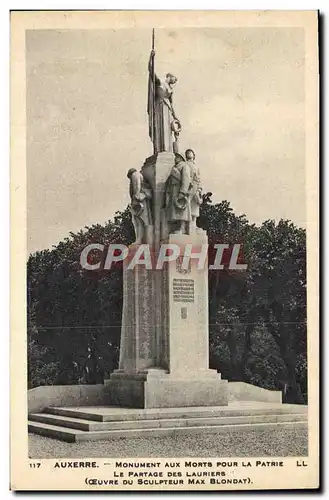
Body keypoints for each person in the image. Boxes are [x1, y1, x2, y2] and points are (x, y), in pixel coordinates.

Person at [164, 153, 192, 234]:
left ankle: (182, 228)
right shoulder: (175, 167)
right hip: (174, 189)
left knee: (182, 210)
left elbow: (186, 180)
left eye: (177, 157)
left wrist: (182, 192)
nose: (175, 158)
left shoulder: (184, 166)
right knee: (175, 211)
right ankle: (178, 227)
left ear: (181, 157)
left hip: (179, 190)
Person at [127, 168, 153, 244]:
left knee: (139, 220)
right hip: (143, 199)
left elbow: (137, 186)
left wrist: (136, 198)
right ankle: (144, 240)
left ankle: (139, 239)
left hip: (139, 200)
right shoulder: (139, 175)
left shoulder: (135, 175)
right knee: (143, 220)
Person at [185, 149, 202, 233]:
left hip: (195, 187)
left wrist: (199, 190)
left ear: (194, 155)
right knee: (187, 207)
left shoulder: (196, 166)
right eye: (188, 153)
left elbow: (198, 179)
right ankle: (187, 226)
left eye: (191, 152)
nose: (189, 153)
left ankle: (194, 225)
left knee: (195, 207)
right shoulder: (185, 165)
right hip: (188, 187)